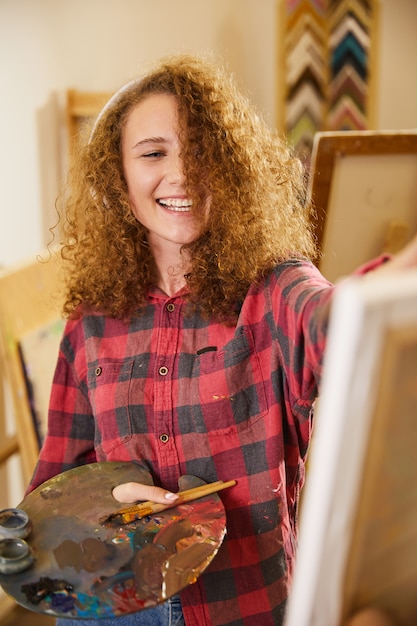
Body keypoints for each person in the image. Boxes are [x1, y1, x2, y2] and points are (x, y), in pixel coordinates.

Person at [27, 54, 417, 626]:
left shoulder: (276, 285)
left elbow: (344, 324)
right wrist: (103, 501)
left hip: (246, 605)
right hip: (113, 611)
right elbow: (52, 492)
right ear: (118, 175)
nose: (181, 173)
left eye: (201, 150)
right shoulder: (91, 319)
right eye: (154, 152)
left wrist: (402, 275)